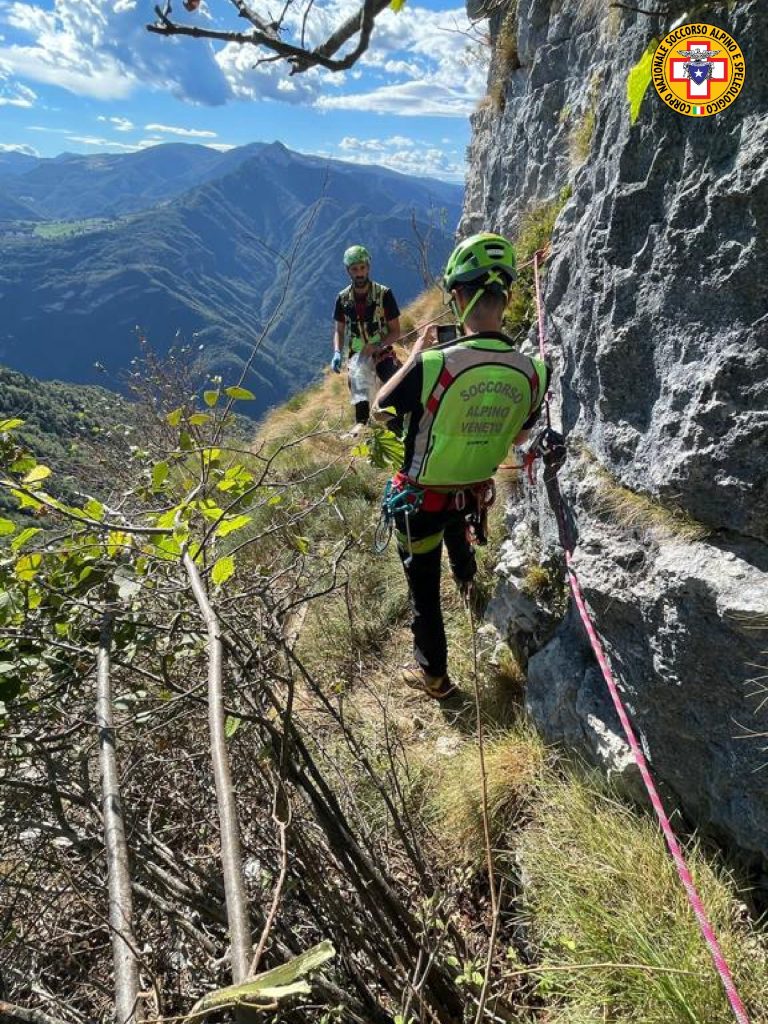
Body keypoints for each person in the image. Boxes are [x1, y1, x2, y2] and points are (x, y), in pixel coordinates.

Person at [372, 232, 550, 700]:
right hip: (470, 491)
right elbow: (517, 434)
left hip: (420, 499)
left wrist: (413, 356)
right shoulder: (535, 372)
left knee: (424, 593)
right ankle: (469, 582)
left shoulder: (435, 364)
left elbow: (382, 408)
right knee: (458, 529)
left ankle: (435, 678)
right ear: (507, 298)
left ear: (457, 297)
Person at [331, 245, 402, 438]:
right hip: (357, 355)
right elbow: (339, 329)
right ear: (348, 271)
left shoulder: (384, 294)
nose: (359, 273)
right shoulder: (343, 299)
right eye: (355, 269)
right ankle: (362, 427)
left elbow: (395, 331)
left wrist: (377, 345)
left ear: (368, 267)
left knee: (392, 381)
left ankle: (397, 427)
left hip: (381, 351)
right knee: (357, 387)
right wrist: (337, 352)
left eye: (362, 268)